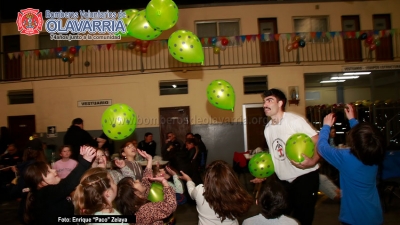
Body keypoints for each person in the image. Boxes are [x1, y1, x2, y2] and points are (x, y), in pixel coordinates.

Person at [255, 88, 320, 225]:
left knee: (303, 219)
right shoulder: (268, 129)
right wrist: (265, 174)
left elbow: (318, 140)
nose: (265, 105)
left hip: (305, 177)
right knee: (283, 219)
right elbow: (275, 156)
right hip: (283, 181)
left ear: (280, 103)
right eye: (264, 101)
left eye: (269, 100)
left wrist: (313, 160)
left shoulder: (295, 121)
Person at [317, 104, 384, 225]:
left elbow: (321, 147)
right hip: (374, 215)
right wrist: (353, 120)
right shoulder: (375, 155)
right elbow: (364, 141)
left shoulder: (346, 157)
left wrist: (326, 126)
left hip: (354, 218)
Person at [23, 146, 96, 224]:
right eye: (48, 171)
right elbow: (67, 184)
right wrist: (85, 162)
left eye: (51, 168)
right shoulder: (44, 193)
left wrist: (81, 158)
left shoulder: (47, 193)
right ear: (41, 182)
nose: (54, 170)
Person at [180, 160, 253, 224]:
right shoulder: (236, 192)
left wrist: (189, 180)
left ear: (207, 177)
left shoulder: (200, 190)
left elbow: (191, 192)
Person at [115, 150, 177, 225]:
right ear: (135, 192)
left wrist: (149, 160)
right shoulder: (146, 210)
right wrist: (165, 183)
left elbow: (146, 181)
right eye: (134, 182)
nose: (137, 180)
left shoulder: (137, 205)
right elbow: (170, 206)